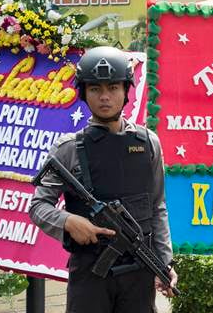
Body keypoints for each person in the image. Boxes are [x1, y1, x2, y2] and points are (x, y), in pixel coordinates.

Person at [29, 46, 177, 313]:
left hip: (138, 273)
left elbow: (157, 208)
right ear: (84, 93)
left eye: (113, 88)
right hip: (91, 275)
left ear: (125, 91)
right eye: (96, 89)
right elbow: (38, 207)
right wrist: (69, 221)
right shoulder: (69, 149)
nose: (105, 97)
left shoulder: (148, 143)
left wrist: (164, 263)